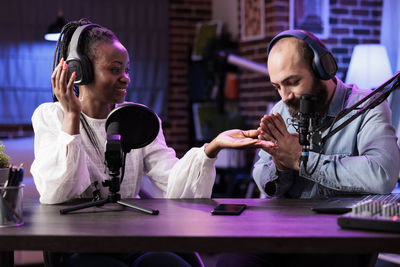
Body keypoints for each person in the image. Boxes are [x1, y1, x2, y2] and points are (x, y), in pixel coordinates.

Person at [30, 19, 275, 267]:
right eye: (115, 69)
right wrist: (72, 116)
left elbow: (175, 187)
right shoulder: (51, 117)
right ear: (80, 71)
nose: (125, 78)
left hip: (134, 237)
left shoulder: (138, 118)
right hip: (81, 243)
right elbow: (56, 193)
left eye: (127, 69)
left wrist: (212, 148)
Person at [217, 29, 400, 267]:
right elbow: (261, 173)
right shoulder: (282, 109)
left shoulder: (368, 107)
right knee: (231, 262)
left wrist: (302, 160)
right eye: (277, 86)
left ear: (323, 68)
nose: (284, 96)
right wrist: (280, 167)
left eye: (292, 82)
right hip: (285, 230)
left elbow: (383, 174)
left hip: (340, 235)